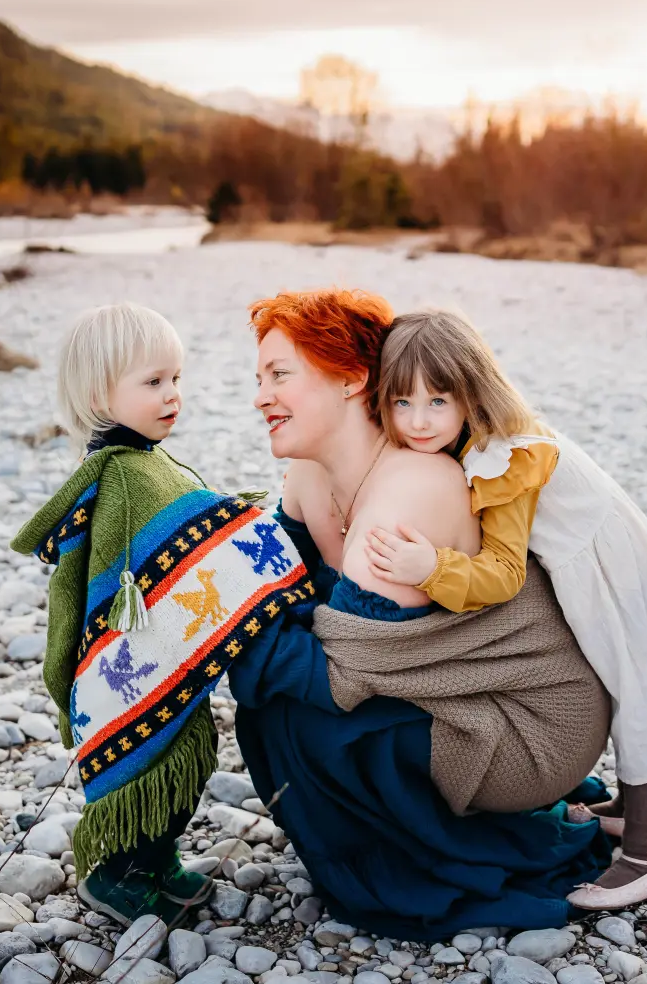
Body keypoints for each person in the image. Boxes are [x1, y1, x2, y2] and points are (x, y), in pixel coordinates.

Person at [230, 288, 615, 939]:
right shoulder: (308, 475)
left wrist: (213, 637)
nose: (260, 396)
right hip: (457, 695)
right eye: (257, 378)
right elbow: (272, 587)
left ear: (351, 379)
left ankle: (441, 859)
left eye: (279, 376)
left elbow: (337, 678)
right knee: (275, 699)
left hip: (533, 725)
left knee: (304, 720)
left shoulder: (409, 490)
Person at [361, 308, 647, 908]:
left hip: (604, 558)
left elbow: (502, 574)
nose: (419, 422)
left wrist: (432, 570)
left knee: (636, 686)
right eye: (402, 403)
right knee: (613, 674)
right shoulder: (472, 438)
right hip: (583, 549)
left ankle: (645, 857)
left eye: (438, 402)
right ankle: (627, 810)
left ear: (471, 391)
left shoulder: (506, 457)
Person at [10, 303, 309, 925]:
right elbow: (165, 548)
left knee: (181, 750)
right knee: (154, 754)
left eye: (176, 378)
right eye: (153, 382)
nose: (172, 395)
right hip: (137, 664)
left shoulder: (142, 460)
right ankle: (118, 875)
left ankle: (160, 862)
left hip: (158, 656)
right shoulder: (124, 475)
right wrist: (248, 524)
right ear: (100, 393)